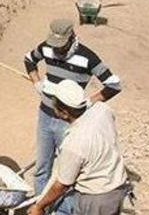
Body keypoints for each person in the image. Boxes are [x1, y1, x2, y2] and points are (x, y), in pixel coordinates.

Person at [24, 19, 122, 215]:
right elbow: (28, 59)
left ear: (71, 39)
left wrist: (88, 102)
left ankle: (60, 209)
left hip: (67, 120)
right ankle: (40, 208)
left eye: (61, 47)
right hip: (45, 113)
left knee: (68, 172)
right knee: (43, 167)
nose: (56, 51)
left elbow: (114, 84)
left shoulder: (87, 58)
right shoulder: (47, 48)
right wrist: (37, 83)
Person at [27, 80, 128, 215]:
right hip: (118, 186)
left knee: (61, 204)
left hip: (96, 198)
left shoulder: (74, 142)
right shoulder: (101, 110)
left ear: (63, 113)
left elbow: (62, 185)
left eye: (54, 106)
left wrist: (39, 207)